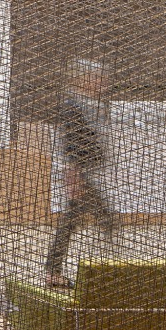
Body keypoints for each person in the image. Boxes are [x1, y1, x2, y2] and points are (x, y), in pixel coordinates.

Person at [45, 58, 117, 288]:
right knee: (94, 218)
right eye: (97, 77)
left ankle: (55, 270)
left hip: (84, 170)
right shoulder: (73, 104)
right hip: (78, 172)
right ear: (83, 78)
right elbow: (72, 142)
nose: (103, 82)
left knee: (81, 218)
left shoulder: (89, 103)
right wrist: (73, 174)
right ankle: (55, 271)